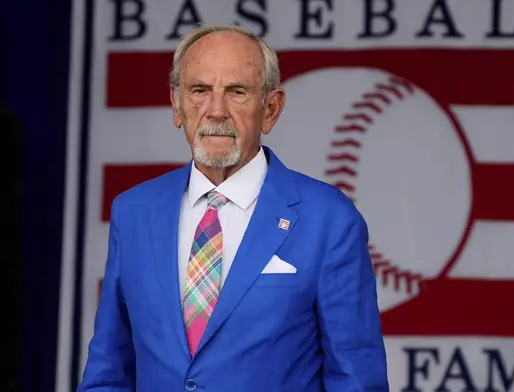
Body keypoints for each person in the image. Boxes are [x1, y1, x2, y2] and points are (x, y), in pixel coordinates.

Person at [77, 24, 389, 391]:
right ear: (177, 105)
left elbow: (356, 380)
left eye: (237, 92)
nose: (216, 111)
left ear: (271, 109)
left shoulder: (330, 219)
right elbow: (109, 369)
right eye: (199, 91)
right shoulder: (133, 212)